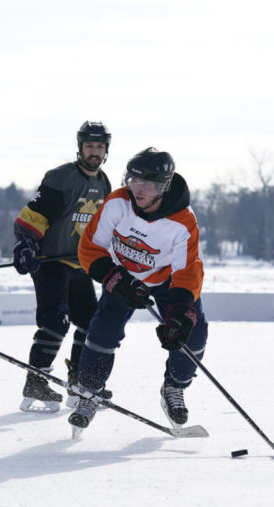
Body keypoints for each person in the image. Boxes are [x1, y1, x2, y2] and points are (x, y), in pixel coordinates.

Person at [68, 147, 209, 435]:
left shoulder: (183, 222)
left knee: (193, 333)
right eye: (133, 180)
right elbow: (90, 248)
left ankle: (174, 387)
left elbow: (188, 271)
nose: (138, 189)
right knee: (103, 331)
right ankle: (90, 392)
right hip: (123, 275)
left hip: (169, 280)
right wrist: (115, 279)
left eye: (148, 184)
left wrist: (180, 315)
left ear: (165, 186)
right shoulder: (118, 202)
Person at [12, 121, 112, 413]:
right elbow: (35, 215)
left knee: (91, 323)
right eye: (89, 146)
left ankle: (80, 382)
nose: (94, 152)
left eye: (100, 147)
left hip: (80, 263)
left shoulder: (104, 183)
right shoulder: (61, 177)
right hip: (51, 262)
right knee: (56, 321)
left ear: (106, 150)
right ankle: (36, 381)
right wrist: (27, 243)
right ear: (80, 147)